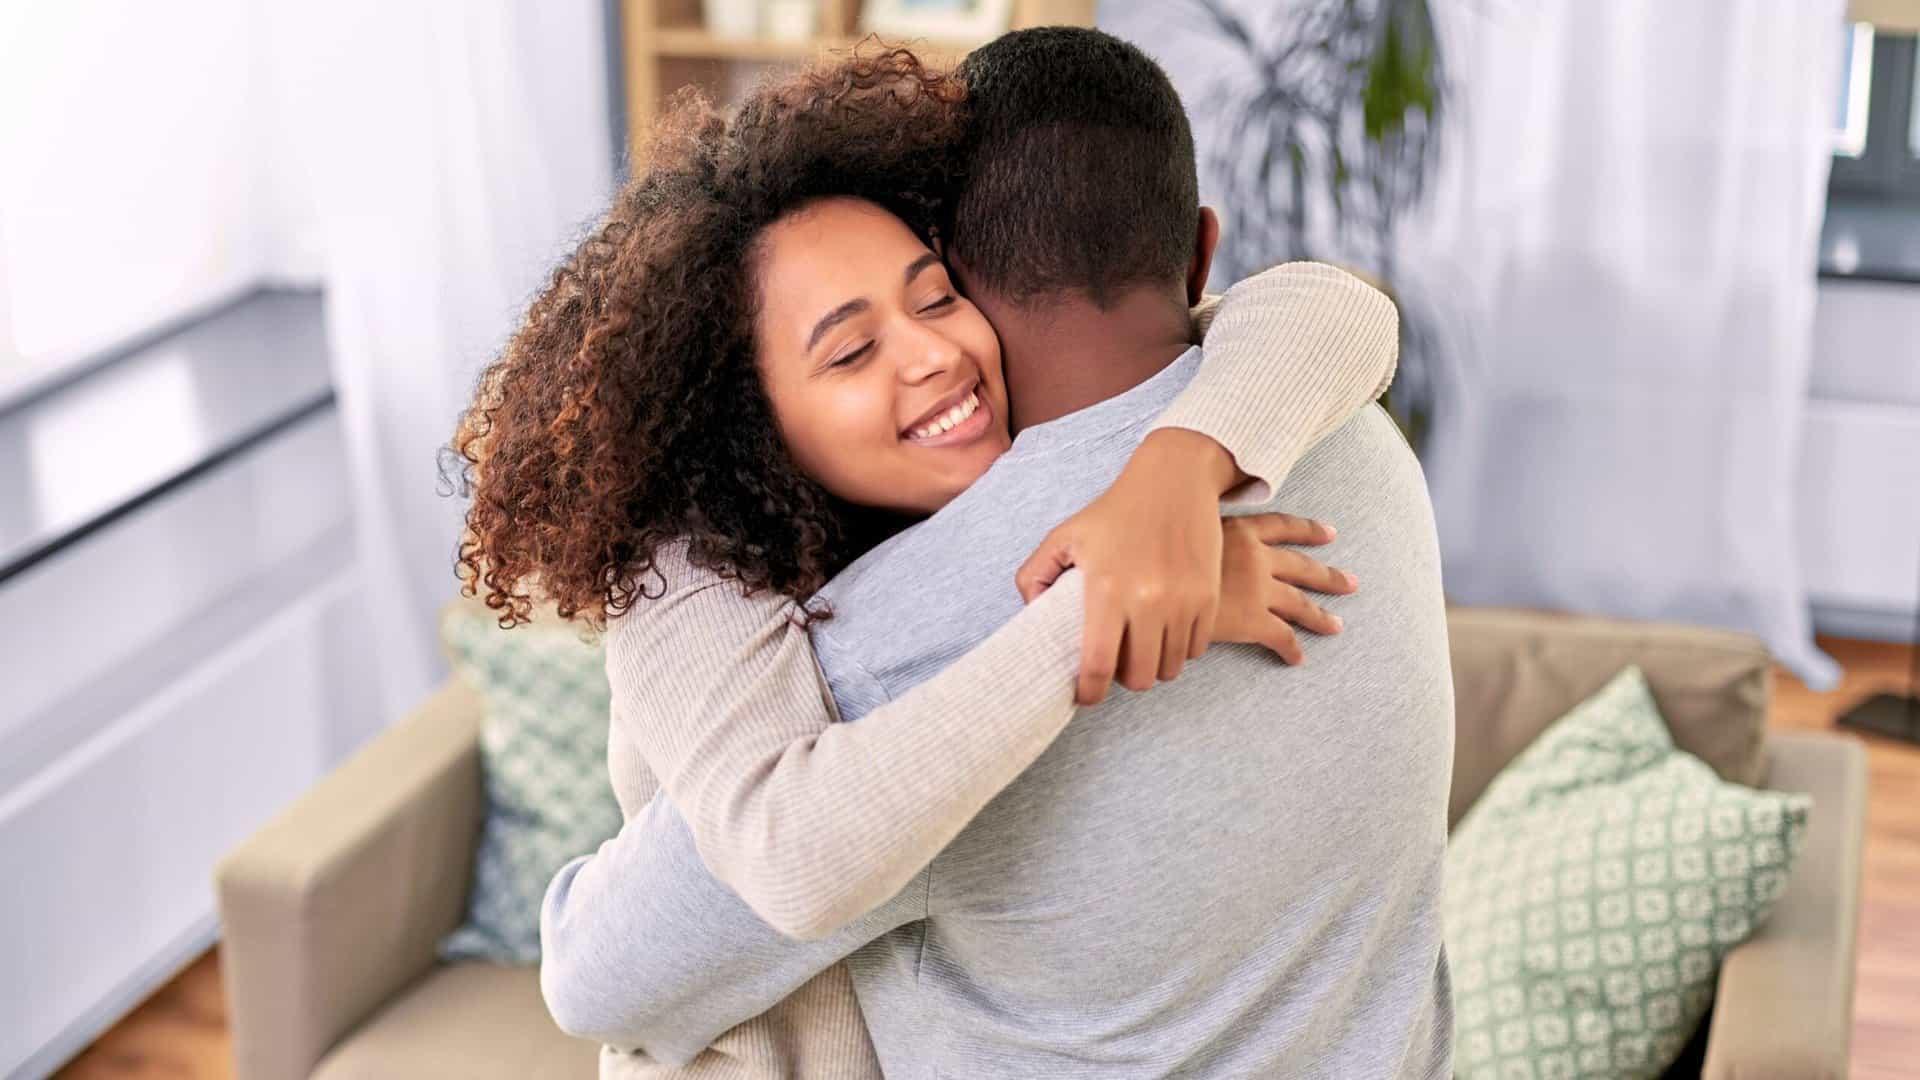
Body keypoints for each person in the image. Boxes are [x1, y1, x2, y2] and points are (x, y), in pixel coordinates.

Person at [475, 37, 1441, 1080]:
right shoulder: (1356, 449)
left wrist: (1172, 477)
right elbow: (603, 969)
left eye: (934, 298)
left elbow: (1325, 308)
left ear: (967, 270)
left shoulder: (1251, 409)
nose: (930, 352)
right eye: (849, 351)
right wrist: (1104, 599)